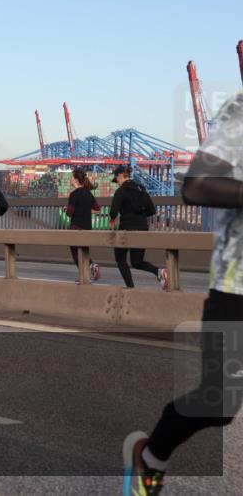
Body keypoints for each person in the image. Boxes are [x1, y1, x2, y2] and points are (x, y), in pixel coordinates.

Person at [123, 91, 243, 495]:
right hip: (236, 289)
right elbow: (196, 187)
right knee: (219, 404)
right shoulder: (241, 109)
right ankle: (151, 456)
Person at [109, 165, 168, 290]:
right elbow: (152, 210)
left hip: (126, 228)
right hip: (142, 228)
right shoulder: (141, 189)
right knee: (137, 261)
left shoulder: (121, 191)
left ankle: (130, 287)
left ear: (120, 176)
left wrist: (113, 219)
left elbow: (113, 212)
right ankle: (158, 272)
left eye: (117, 180)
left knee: (120, 258)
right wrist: (139, 217)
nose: (117, 183)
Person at [65, 168, 102, 282]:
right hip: (87, 227)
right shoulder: (88, 193)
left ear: (76, 180)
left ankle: (86, 273)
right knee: (84, 252)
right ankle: (91, 269)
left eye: (72, 177)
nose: (71, 179)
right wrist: (86, 210)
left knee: (76, 254)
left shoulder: (74, 194)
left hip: (76, 227)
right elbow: (97, 209)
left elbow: (70, 213)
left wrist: (66, 209)